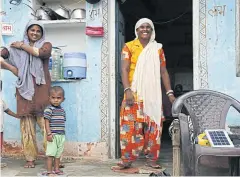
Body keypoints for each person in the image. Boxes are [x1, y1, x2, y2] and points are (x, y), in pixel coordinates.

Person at [112, 18, 175, 171]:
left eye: (148, 27)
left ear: (152, 30)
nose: (145, 29)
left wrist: (169, 93)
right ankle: (126, 161)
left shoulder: (158, 49)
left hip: (152, 95)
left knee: (154, 128)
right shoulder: (128, 47)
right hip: (134, 94)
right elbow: (124, 70)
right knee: (129, 129)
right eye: (141, 27)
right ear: (136, 30)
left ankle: (152, 160)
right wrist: (127, 90)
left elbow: (163, 71)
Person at [0, 20, 52, 168]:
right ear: (26, 31)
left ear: (42, 33)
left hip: (42, 90)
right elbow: (6, 58)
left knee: (46, 125)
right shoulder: (15, 49)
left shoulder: (46, 45)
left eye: (38, 31)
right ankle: (30, 158)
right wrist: (7, 63)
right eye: (32, 30)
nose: (35, 33)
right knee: (27, 127)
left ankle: (53, 158)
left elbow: (41, 53)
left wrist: (23, 46)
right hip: (24, 91)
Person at [43, 86, 66, 176]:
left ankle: (56, 169)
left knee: (58, 154)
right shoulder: (48, 109)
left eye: (58, 98)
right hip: (53, 135)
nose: (56, 100)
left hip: (61, 135)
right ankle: (49, 171)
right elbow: (46, 122)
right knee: (51, 154)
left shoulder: (62, 110)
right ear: (49, 98)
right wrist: (49, 134)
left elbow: (62, 122)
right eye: (53, 98)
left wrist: (63, 135)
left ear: (63, 99)